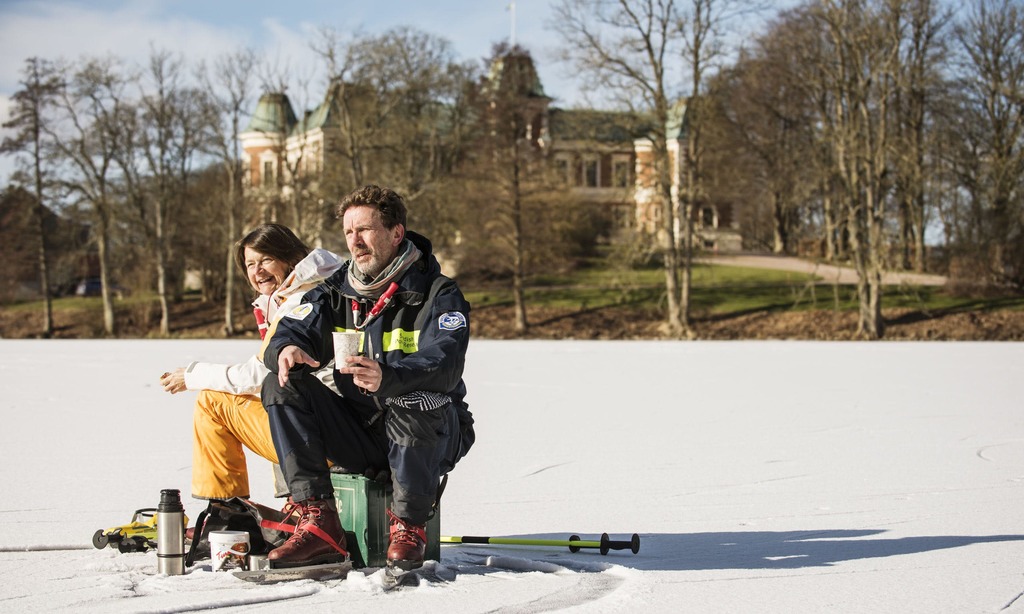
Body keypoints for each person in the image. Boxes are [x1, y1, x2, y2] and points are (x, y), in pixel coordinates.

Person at [261, 184, 475, 570]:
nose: (355, 241)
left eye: (365, 230)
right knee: (282, 382)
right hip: (361, 428)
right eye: (348, 232)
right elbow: (292, 327)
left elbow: (446, 363)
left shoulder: (439, 293)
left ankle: (408, 526)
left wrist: (390, 376)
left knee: (414, 396)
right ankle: (319, 522)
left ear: (396, 233)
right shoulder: (337, 290)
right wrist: (286, 348)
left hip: (433, 431)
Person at [159, 223, 343, 502]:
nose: (257, 271)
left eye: (266, 260)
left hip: (325, 435)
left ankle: (229, 510)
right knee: (275, 395)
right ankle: (292, 502)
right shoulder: (315, 289)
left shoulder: (301, 300)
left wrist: (192, 376)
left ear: (290, 258)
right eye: (250, 264)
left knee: (213, 402)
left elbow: (258, 375)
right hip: (334, 423)